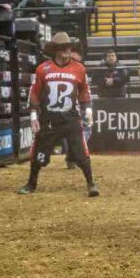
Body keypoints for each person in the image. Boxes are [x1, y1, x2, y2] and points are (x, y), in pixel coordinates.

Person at [18, 32, 99, 197]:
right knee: (39, 152)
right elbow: (34, 93)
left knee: (81, 152)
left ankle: (91, 184)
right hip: (49, 119)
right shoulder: (43, 69)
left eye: (68, 46)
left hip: (71, 118)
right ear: (56, 50)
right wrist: (34, 115)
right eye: (63, 47)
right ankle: (31, 183)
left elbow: (84, 91)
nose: (67, 50)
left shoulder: (79, 68)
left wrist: (88, 109)